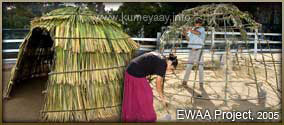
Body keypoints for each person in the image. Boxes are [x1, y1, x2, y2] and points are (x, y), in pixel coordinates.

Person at [121, 52, 178, 122]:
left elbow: (148, 63)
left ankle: (135, 117)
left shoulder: (162, 59)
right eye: (171, 69)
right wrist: (162, 98)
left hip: (131, 70)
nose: (169, 71)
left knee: (136, 96)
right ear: (170, 63)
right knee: (147, 97)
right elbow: (158, 84)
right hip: (135, 73)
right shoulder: (163, 64)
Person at [182, 18, 206, 87]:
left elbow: (198, 33)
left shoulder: (202, 29)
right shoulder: (192, 29)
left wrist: (189, 30)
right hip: (192, 50)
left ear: (201, 23)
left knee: (200, 67)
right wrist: (185, 34)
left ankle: (201, 82)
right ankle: (185, 80)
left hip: (199, 50)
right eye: (196, 22)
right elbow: (188, 39)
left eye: (199, 22)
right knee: (189, 65)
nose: (197, 23)